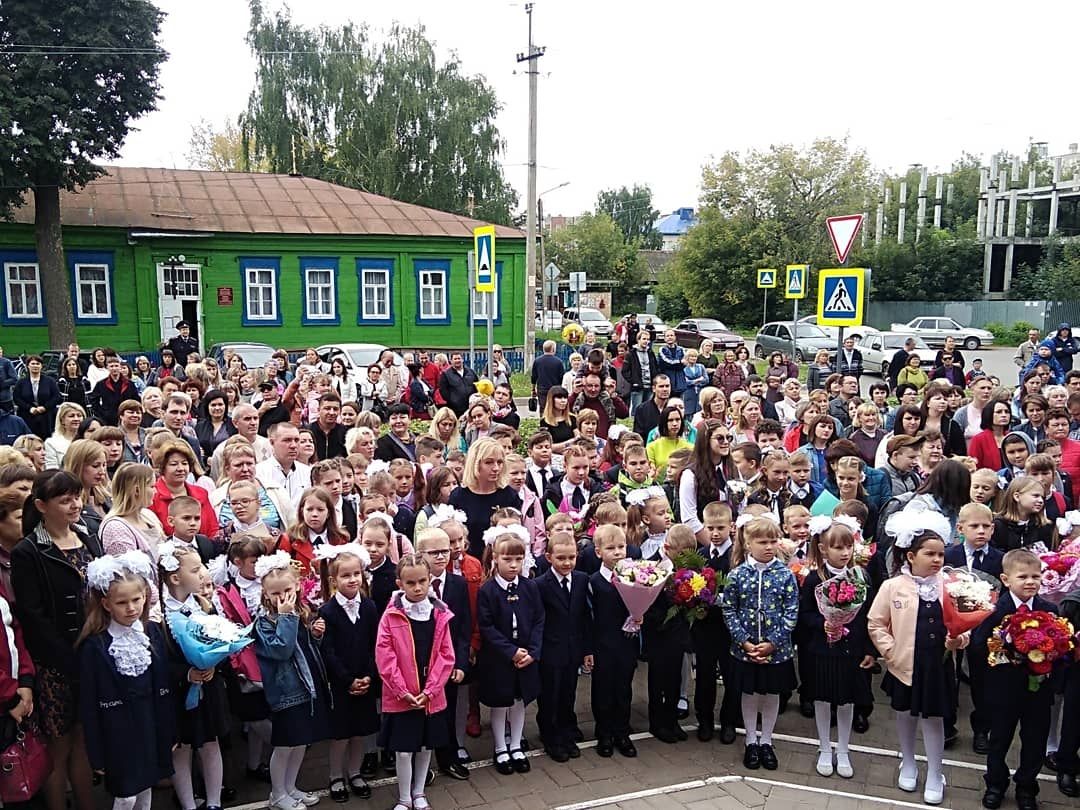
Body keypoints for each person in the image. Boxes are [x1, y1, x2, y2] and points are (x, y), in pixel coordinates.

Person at [13, 469, 102, 810]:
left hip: (90, 654)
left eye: (77, 497)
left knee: (81, 741)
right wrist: (68, 658)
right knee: (59, 746)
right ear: (41, 505)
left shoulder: (87, 537)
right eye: (64, 500)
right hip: (57, 665)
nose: (75, 505)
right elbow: (33, 618)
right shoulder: (30, 550)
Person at [868, 510, 965, 806]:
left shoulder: (951, 585)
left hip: (938, 665)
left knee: (934, 719)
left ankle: (936, 771)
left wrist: (958, 639)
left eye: (940, 554)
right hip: (904, 664)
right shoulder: (893, 586)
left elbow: (964, 622)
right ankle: (908, 761)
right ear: (911, 555)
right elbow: (876, 622)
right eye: (929, 554)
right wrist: (891, 651)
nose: (937, 560)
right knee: (905, 714)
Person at [77, 551, 173, 810]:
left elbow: (162, 685)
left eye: (136, 599)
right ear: (107, 604)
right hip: (117, 732)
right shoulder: (95, 646)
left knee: (145, 787)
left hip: (149, 723)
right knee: (126, 794)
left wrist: (168, 730)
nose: (131, 608)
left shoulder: (151, 632)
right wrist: (96, 752)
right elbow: (89, 703)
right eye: (122, 603)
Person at [971, 549, 1058, 810]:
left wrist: (1053, 651)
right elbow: (978, 645)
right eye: (1023, 576)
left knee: (1034, 740)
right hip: (1002, 689)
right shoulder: (995, 609)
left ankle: (1027, 787)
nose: (1031, 581)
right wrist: (1002, 650)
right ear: (1006, 579)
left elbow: (1059, 647)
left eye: (1036, 576)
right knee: (999, 739)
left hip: (1038, 691)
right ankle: (995, 784)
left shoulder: (1049, 610)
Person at [375, 553, 454, 810]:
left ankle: (419, 793)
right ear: (400, 583)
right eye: (411, 583)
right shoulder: (390, 616)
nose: (418, 587)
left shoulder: (439, 614)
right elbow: (385, 657)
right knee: (404, 750)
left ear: (430, 579)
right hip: (403, 696)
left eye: (422, 581)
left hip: (429, 696)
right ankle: (404, 797)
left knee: (424, 747)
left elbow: (446, 655)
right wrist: (402, 690)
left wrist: (430, 691)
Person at [797, 518, 875, 779]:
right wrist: (824, 624)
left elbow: (866, 616)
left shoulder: (860, 576)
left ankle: (843, 748)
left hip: (850, 648)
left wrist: (868, 649)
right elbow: (804, 614)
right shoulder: (813, 579)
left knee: (846, 699)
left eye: (848, 547)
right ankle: (824, 747)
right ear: (823, 549)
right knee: (822, 698)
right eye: (838, 548)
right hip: (821, 649)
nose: (844, 553)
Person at [253, 551, 331, 810]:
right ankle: (277, 794)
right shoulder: (264, 622)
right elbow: (281, 650)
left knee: (300, 742)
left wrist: (316, 634)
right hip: (286, 694)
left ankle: (290, 787)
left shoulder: (301, 611)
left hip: (307, 688)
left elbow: (305, 649)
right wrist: (286, 617)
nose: (283, 597)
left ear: (297, 586)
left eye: (287, 589)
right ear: (265, 594)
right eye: (275, 593)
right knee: (285, 745)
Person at [721, 515, 799, 772]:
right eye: (762, 542)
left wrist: (773, 643)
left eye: (773, 541)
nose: (768, 546)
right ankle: (751, 740)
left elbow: (791, 611)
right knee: (750, 693)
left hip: (776, 651)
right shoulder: (737, 575)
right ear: (747, 543)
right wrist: (744, 641)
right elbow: (729, 609)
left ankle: (767, 740)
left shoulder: (785, 575)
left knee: (771, 693)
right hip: (745, 651)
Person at [314, 542, 379, 801]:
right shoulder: (327, 612)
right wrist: (348, 679)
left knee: (360, 733)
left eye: (356, 574)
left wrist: (368, 676)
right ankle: (335, 776)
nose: (352, 579)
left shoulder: (369, 607)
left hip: (365, 678)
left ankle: (355, 773)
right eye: (345, 575)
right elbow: (328, 652)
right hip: (341, 684)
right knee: (341, 735)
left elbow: (376, 644)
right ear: (333, 580)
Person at [535, 531, 592, 762]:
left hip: (573, 649)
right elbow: (537, 621)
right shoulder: (540, 585)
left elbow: (585, 617)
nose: (567, 563)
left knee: (569, 692)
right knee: (550, 694)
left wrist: (587, 650)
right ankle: (551, 735)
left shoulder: (581, 579)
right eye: (561, 558)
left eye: (571, 557)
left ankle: (567, 730)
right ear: (549, 557)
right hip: (550, 650)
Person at [588, 525, 639, 759]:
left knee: (623, 688)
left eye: (621, 547)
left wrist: (640, 615)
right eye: (611, 548)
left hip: (626, 643)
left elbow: (640, 605)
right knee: (603, 690)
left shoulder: (635, 578)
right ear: (598, 552)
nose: (618, 552)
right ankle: (604, 733)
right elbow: (587, 617)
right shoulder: (593, 582)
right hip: (602, 645)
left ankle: (622, 732)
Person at [150, 439, 218, 539]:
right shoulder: (152, 496)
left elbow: (213, 530)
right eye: (174, 464)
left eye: (184, 463)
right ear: (162, 467)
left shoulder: (201, 493)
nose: (181, 468)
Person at [257, 422, 312, 506]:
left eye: (297, 440)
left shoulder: (308, 472)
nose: (293, 445)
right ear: (272, 442)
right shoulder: (259, 473)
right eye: (287, 440)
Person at [14, 354, 60, 440]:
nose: (35, 366)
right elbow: (17, 398)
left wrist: (45, 407)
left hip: (46, 417)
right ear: (28, 366)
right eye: (33, 363)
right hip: (27, 415)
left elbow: (56, 397)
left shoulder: (50, 381)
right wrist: (29, 408)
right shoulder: (21, 382)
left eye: (38, 364)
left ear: (41, 366)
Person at [88, 355, 135, 426]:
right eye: (111, 366)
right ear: (107, 368)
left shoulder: (129, 384)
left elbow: (135, 400)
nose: (114, 368)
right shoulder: (101, 384)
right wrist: (102, 414)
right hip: (108, 420)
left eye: (116, 366)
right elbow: (93, 400)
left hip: (126, 418)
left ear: (120, 367)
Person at [967, 400, 1014, 470]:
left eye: (1007, 412)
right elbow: (974, 466)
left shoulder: (1012, 436)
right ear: (989, 414)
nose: (1004, 415)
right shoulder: (978, 439)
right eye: (999, 412)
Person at [622, 331, 658, 416]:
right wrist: (634, 381)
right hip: (637, 387)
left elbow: (655, 367)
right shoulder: (631, 354)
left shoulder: (650, 353)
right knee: (637, 410)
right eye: (644, 339)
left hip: (650, 386)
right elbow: (625, 371)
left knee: (648, 410)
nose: (646, 341)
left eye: (648, 339)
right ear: (638, 340)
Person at [311, 393, 347, 461]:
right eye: (327, 408)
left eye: (335, 409)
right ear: (318, 410)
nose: (331, 412)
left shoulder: (346, 433)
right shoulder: (308, 431)